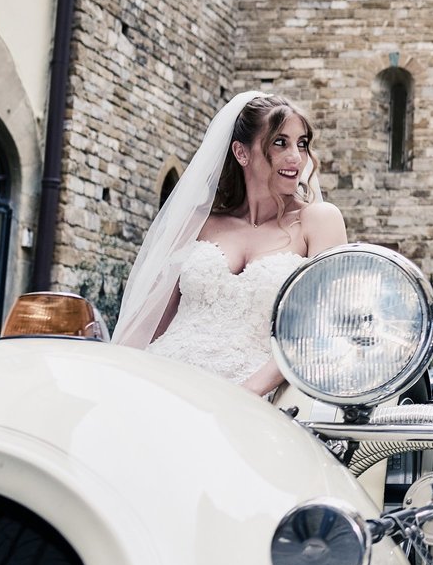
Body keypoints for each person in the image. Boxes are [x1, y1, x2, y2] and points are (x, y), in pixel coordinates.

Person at [114, 92, 347, 396]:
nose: (296, 157)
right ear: (241, 152)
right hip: (166, 379)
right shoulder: (199, 223)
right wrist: (112, 374)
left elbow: (318, 327)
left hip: (252, 394)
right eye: (280, 142)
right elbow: (150, 321)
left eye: (301, 144)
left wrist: (245, 394)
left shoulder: (318, 221)